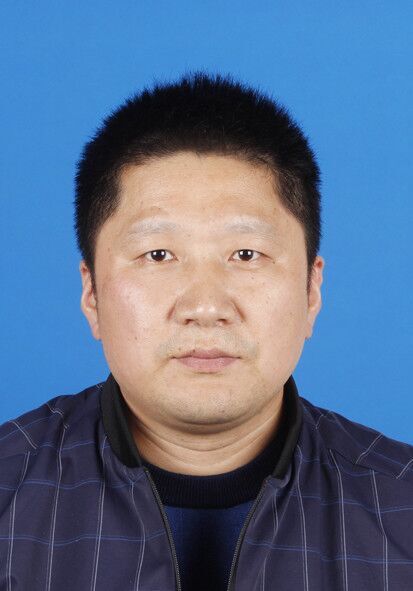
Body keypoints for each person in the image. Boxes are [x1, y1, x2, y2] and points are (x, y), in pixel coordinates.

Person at [1, 72, 412, 591]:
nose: (205, 307)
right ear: (92, 295)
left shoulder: (401, 510)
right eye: (158, 254)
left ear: (312, 291)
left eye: (246, 254)